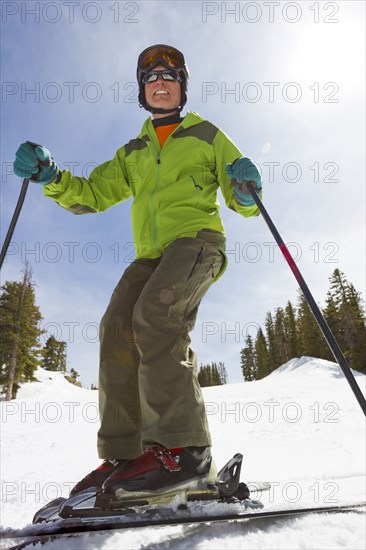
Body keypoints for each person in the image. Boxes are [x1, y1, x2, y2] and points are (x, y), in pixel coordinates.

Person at [13, 44, 262, 504]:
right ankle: (127, 456)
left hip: (196, 240)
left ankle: (184, 450)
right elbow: (91, 194)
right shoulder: (133, 152)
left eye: (169, 76)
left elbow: (238, 193)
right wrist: (50, 176)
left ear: (182, 86)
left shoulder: (207, 134)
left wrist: (246, 188)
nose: (160, 83)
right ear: (142, 93)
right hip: (151, 254)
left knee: (156, 314)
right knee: (116, 327)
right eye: (151, 79)